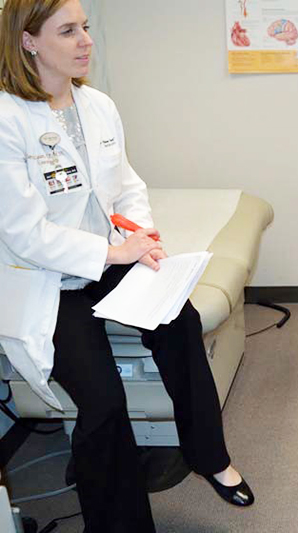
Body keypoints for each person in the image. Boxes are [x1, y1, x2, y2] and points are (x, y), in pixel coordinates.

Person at [0, 1, 254, 531]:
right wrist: (110, 253)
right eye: (68, 31)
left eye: (86, 27)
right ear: (28, 41)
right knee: (102, 399)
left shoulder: (97, 105)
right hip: (49, 277)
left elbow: (128, 182)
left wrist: (140, 234)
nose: (85, 40)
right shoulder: (7, 118)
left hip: (109, 253)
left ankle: (210, 457)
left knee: (179, 324)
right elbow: (23, 233)